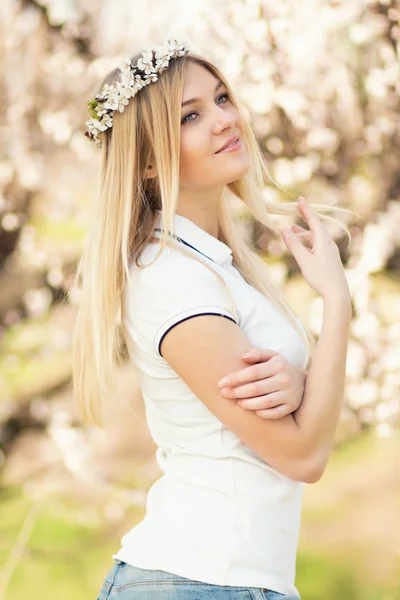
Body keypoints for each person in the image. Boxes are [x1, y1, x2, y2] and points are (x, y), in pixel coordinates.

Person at [72, 39, 352, 600]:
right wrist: (338, 303)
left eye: (222, 99)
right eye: (193, 116)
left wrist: (300, 384)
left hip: (225, 580)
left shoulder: (211, 263)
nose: (226, 120)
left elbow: (286, 427)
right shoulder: (172, 279)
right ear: (148, 160)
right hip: (197, 580)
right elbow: (302, 454)